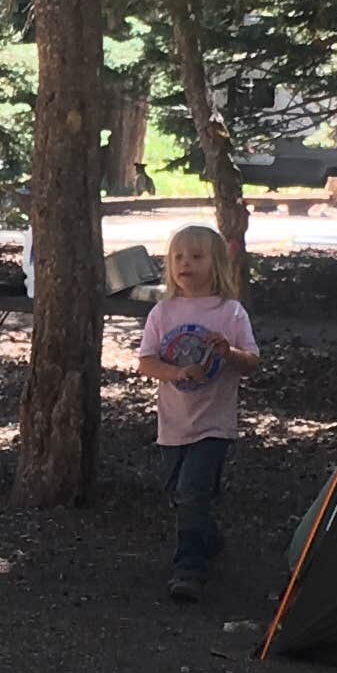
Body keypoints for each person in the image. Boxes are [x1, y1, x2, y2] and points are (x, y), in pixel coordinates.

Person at [130, 222, 259, 603]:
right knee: (179, 491)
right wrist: (177, 372)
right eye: (178, 257)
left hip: (214, 423)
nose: (186, 264)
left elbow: (252, 361)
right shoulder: (162, 312)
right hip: (173, 423)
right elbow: (146, 363)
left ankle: (189, 568)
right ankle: (209, 537)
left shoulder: (230, 313)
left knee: (192, 490)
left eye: (197, 257)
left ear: (215, 263)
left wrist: (228, 353)